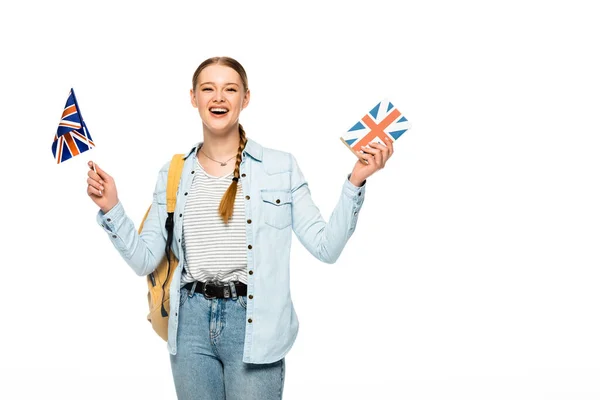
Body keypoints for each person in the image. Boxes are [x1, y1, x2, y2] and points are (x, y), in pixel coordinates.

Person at [86, 56, 394, 400]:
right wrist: (111, 207)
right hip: (189, 325)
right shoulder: (172, 174)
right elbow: (144, 260)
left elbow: (327, 248)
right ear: (193, 98)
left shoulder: (280, 167)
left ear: (245, 99)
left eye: (230, 89)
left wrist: (355, 182)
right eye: (208, 89)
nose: (219, 98)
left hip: (255, 324)